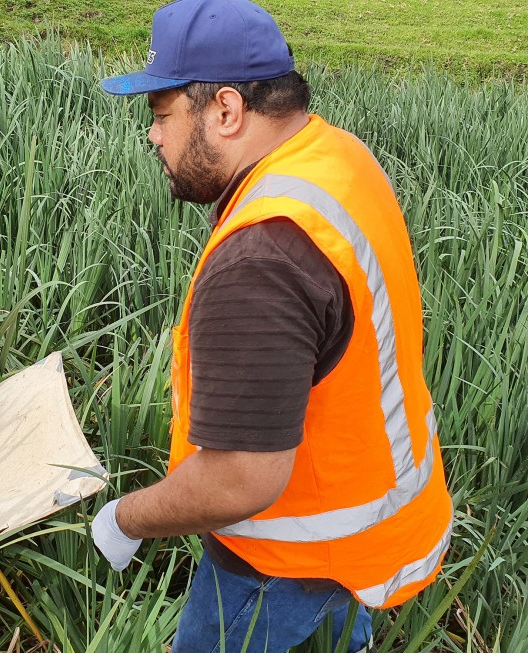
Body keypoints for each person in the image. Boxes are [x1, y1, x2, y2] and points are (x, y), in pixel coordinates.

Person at [90, 1, 453, 651]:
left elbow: (241, 480)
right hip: (365, 528)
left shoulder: (262, 256)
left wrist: (125, 517)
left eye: (160, 114)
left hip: (282, 561)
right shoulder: (337, 156)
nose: (152, 136)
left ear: (226, 110)